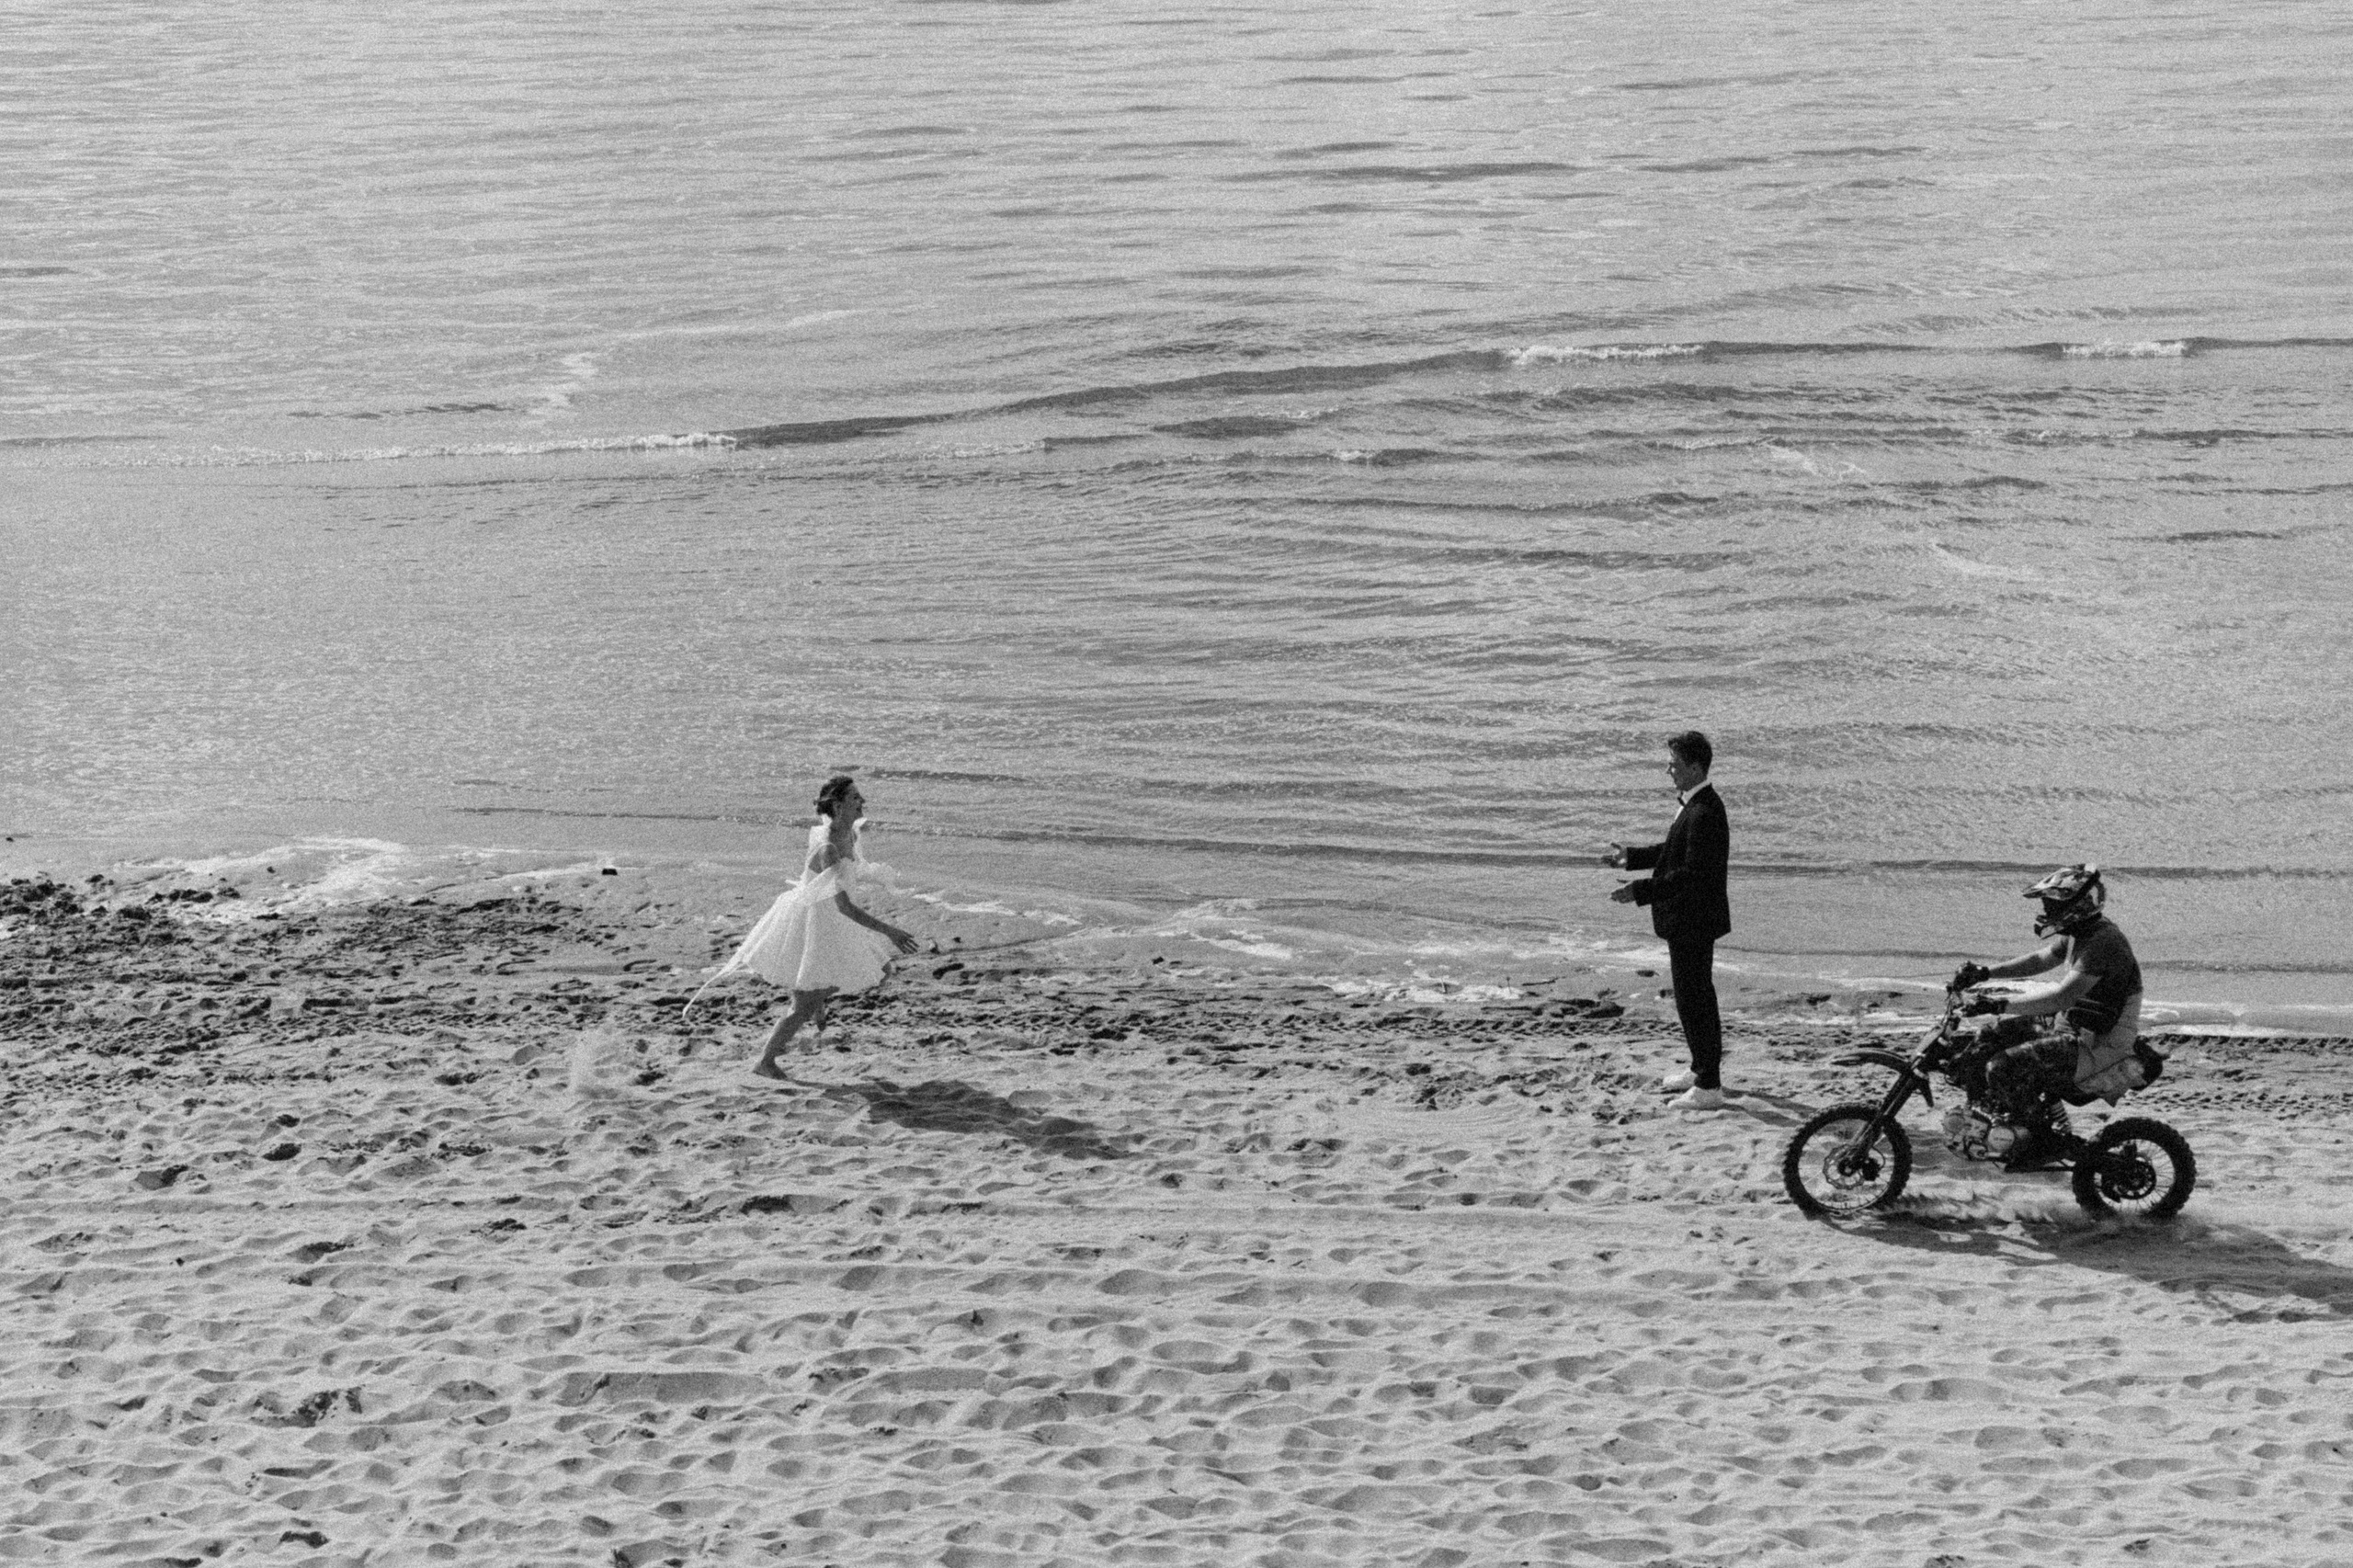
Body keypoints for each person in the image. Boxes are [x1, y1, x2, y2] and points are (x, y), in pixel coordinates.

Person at [706, 775, 919, 1079]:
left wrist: (881, 878)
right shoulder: (829, 846)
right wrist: (891, 931)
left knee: (879, 970)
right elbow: (844, 906)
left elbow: (851, 875)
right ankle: (765, 1062)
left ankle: (818, 999)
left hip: (830, 918)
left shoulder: (850, 834)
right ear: (838, 804)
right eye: (856, 798)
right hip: (815, 923)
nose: (863, 802)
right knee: (802, 1008)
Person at [1949, 862, 2148, 1167]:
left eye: (2051, 904)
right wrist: (1985, 973)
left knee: (2003, 1066)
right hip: (2071, 1028)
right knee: (1985, 1039)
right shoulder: (2081, 932)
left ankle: (2038, 1141)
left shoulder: (2103, 942)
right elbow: (2041, 959)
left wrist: (1998, 1003)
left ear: (2077, 906)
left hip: (2097, 1045)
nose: (2045, 909)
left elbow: (2061, 997)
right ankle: (1989, 1125)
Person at [1605, 731, 1733, 1111]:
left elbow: (1691, 874)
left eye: (1674, 764)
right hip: (1690, 919)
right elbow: (1672, 851)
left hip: (1694, 919)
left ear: (1695, 767)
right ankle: (1700, 1070)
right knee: (1691, 998)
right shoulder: (1696, 805)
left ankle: (1709, 1086)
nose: (1668, 770)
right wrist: (1633, 856)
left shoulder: (1705, 811)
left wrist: (1640, 891)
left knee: (1696, 1000)